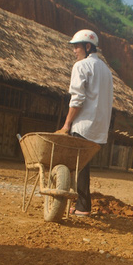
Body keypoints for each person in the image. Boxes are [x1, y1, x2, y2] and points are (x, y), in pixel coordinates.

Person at [56, 29, 114, 216]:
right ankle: (82, 204)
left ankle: (82, 206)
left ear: (88, 47)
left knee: (78, 165)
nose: (74, 51)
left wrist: (66, 125)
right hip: (100, 128)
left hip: (83, 124)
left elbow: (77, 99)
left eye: (77, 47)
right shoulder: (106, 70)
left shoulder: (81, 66)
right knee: (83, 165)